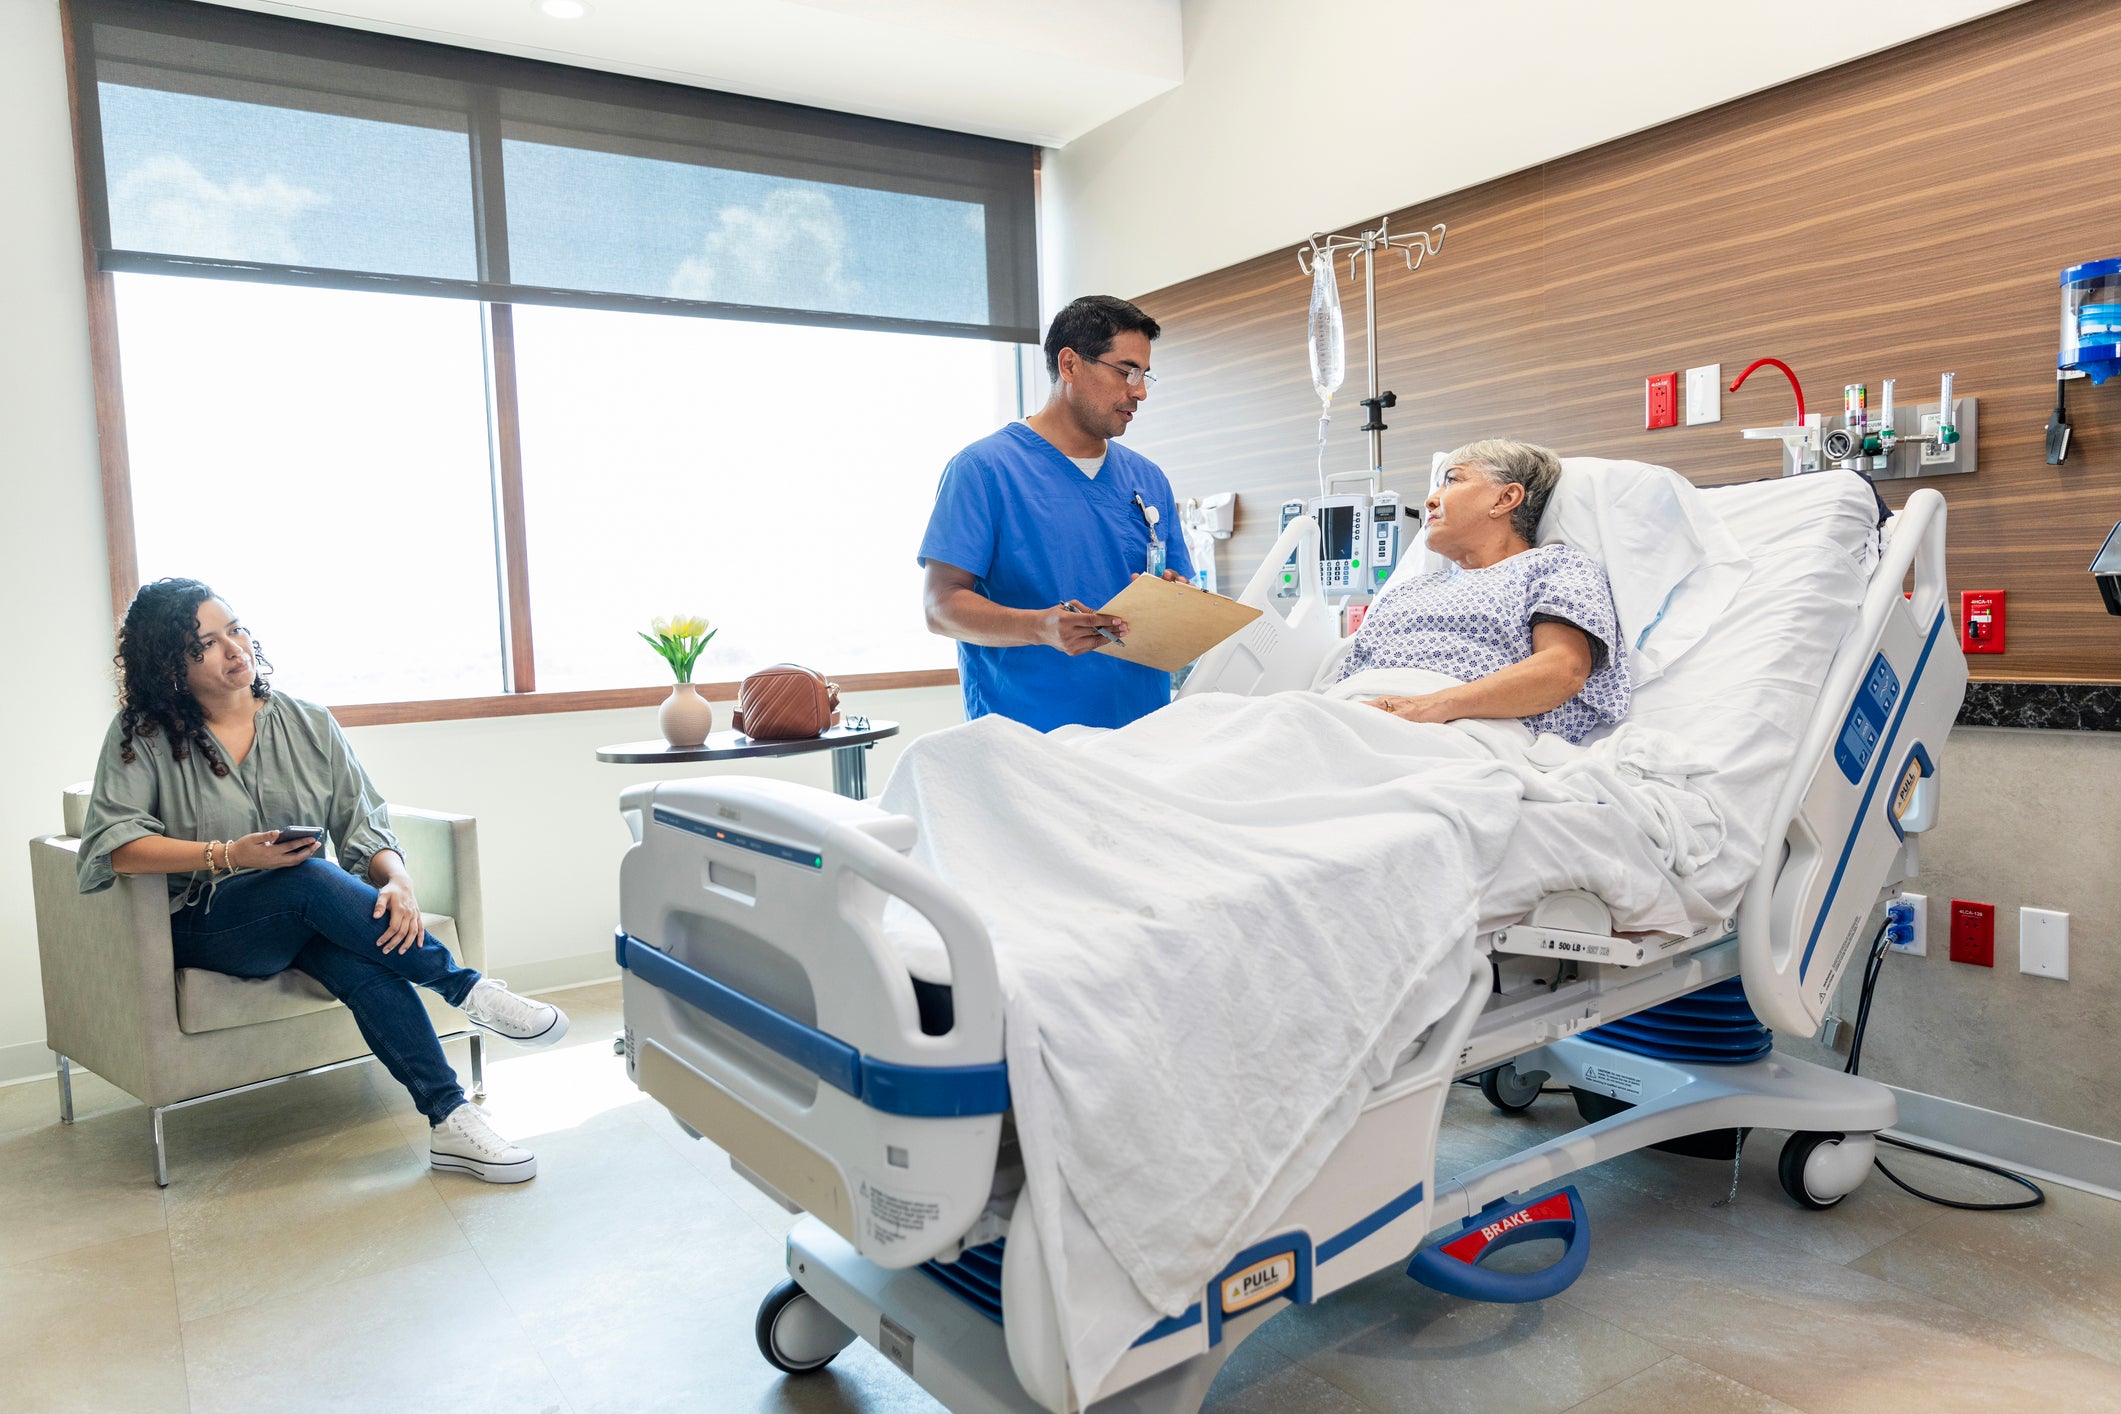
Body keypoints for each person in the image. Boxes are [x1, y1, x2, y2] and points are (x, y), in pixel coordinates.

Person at [76, 578, 569, 1183]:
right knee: (308, 876)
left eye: (236, 629)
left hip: (305, 916)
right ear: (170, 665)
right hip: (206, 925)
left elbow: (365, 824)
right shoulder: (142, 737)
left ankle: (450, 1122)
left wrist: (399, 882)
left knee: (363, 958)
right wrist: (230, 855)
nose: (235, 649)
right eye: (208, 642)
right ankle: (466, 989)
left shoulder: (308, 723)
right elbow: (118, 845)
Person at [920, 295, 1195, 732]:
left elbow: (1182, 590)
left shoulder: (1148, 479)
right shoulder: (983, 470)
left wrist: (1176, 597)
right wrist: (1041, 628)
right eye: (1127, 371)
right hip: (1026, 743)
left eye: (1145, 375)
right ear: (1070, 365)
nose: (1139, 391)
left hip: (1142, 738)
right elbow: (940, 608)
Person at [1337, 439, 1629, 744]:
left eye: (1451, 481)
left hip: (1462, 726)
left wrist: (1434, 705)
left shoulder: (1554, 566)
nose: (1431, 501)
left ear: (1505, 498)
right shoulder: (1408, 590)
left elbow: (1563, 669)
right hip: (1352, 715)